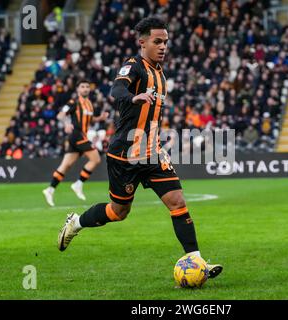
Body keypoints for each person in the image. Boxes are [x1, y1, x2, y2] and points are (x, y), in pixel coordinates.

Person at [56, 17, 223, 280]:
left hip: (153, 153)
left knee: (178, 202)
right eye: (157, 41)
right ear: (142, 43)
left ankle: (196, 260)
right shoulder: (134, 66)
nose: (163, 47)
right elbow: (116, 88)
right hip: (125, 154)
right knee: (118, 212)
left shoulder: (161, 74)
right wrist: (132, 96)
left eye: (166, 42)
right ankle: (75, 223)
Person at [42, 79, 108, 206]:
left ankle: (49, 189)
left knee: (66, 165)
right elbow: (60, 115)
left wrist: (100, 118)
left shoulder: (89, 103)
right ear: (78, 89)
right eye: (82, 86)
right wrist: (66, 123)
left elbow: (90, 119)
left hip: (78, 137)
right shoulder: (74, 102)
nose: (85, 89)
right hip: (77, 135)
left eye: (87, 87)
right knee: (96, 159)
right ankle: (78, 184)